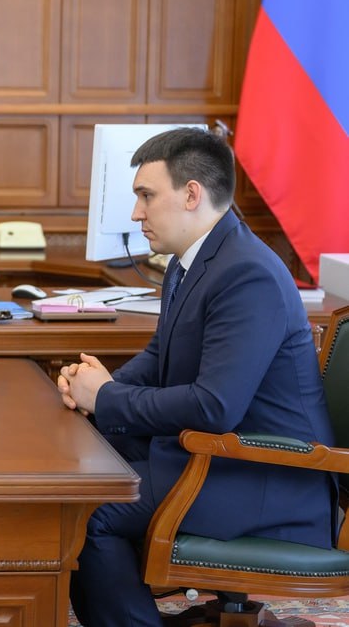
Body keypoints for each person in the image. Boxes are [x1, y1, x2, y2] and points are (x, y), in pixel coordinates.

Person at [58, 127, 336, 626]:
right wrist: (92, 387)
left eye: (146, 196)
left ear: (191, 194)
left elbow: (214, 405)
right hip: (216, 456)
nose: (136, 213)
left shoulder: (247, 272)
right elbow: (160, 356)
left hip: (266, 475)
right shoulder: (192, 262)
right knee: (81, 469)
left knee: (88, 512)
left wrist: (107, 398)